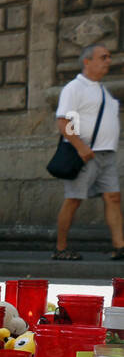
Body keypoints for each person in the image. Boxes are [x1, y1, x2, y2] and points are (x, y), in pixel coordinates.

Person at [54, 44, 123, 261]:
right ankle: (61, 248)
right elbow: (64, 120)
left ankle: (120, 246)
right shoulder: (74, 88)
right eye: (103, 57)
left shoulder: (102, 89)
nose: (108, 61)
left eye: (109, 57)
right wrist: (80, 146)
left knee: (113, 197)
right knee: (73, 199)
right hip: (86, 154)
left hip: (106, 155)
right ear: (87, 61)